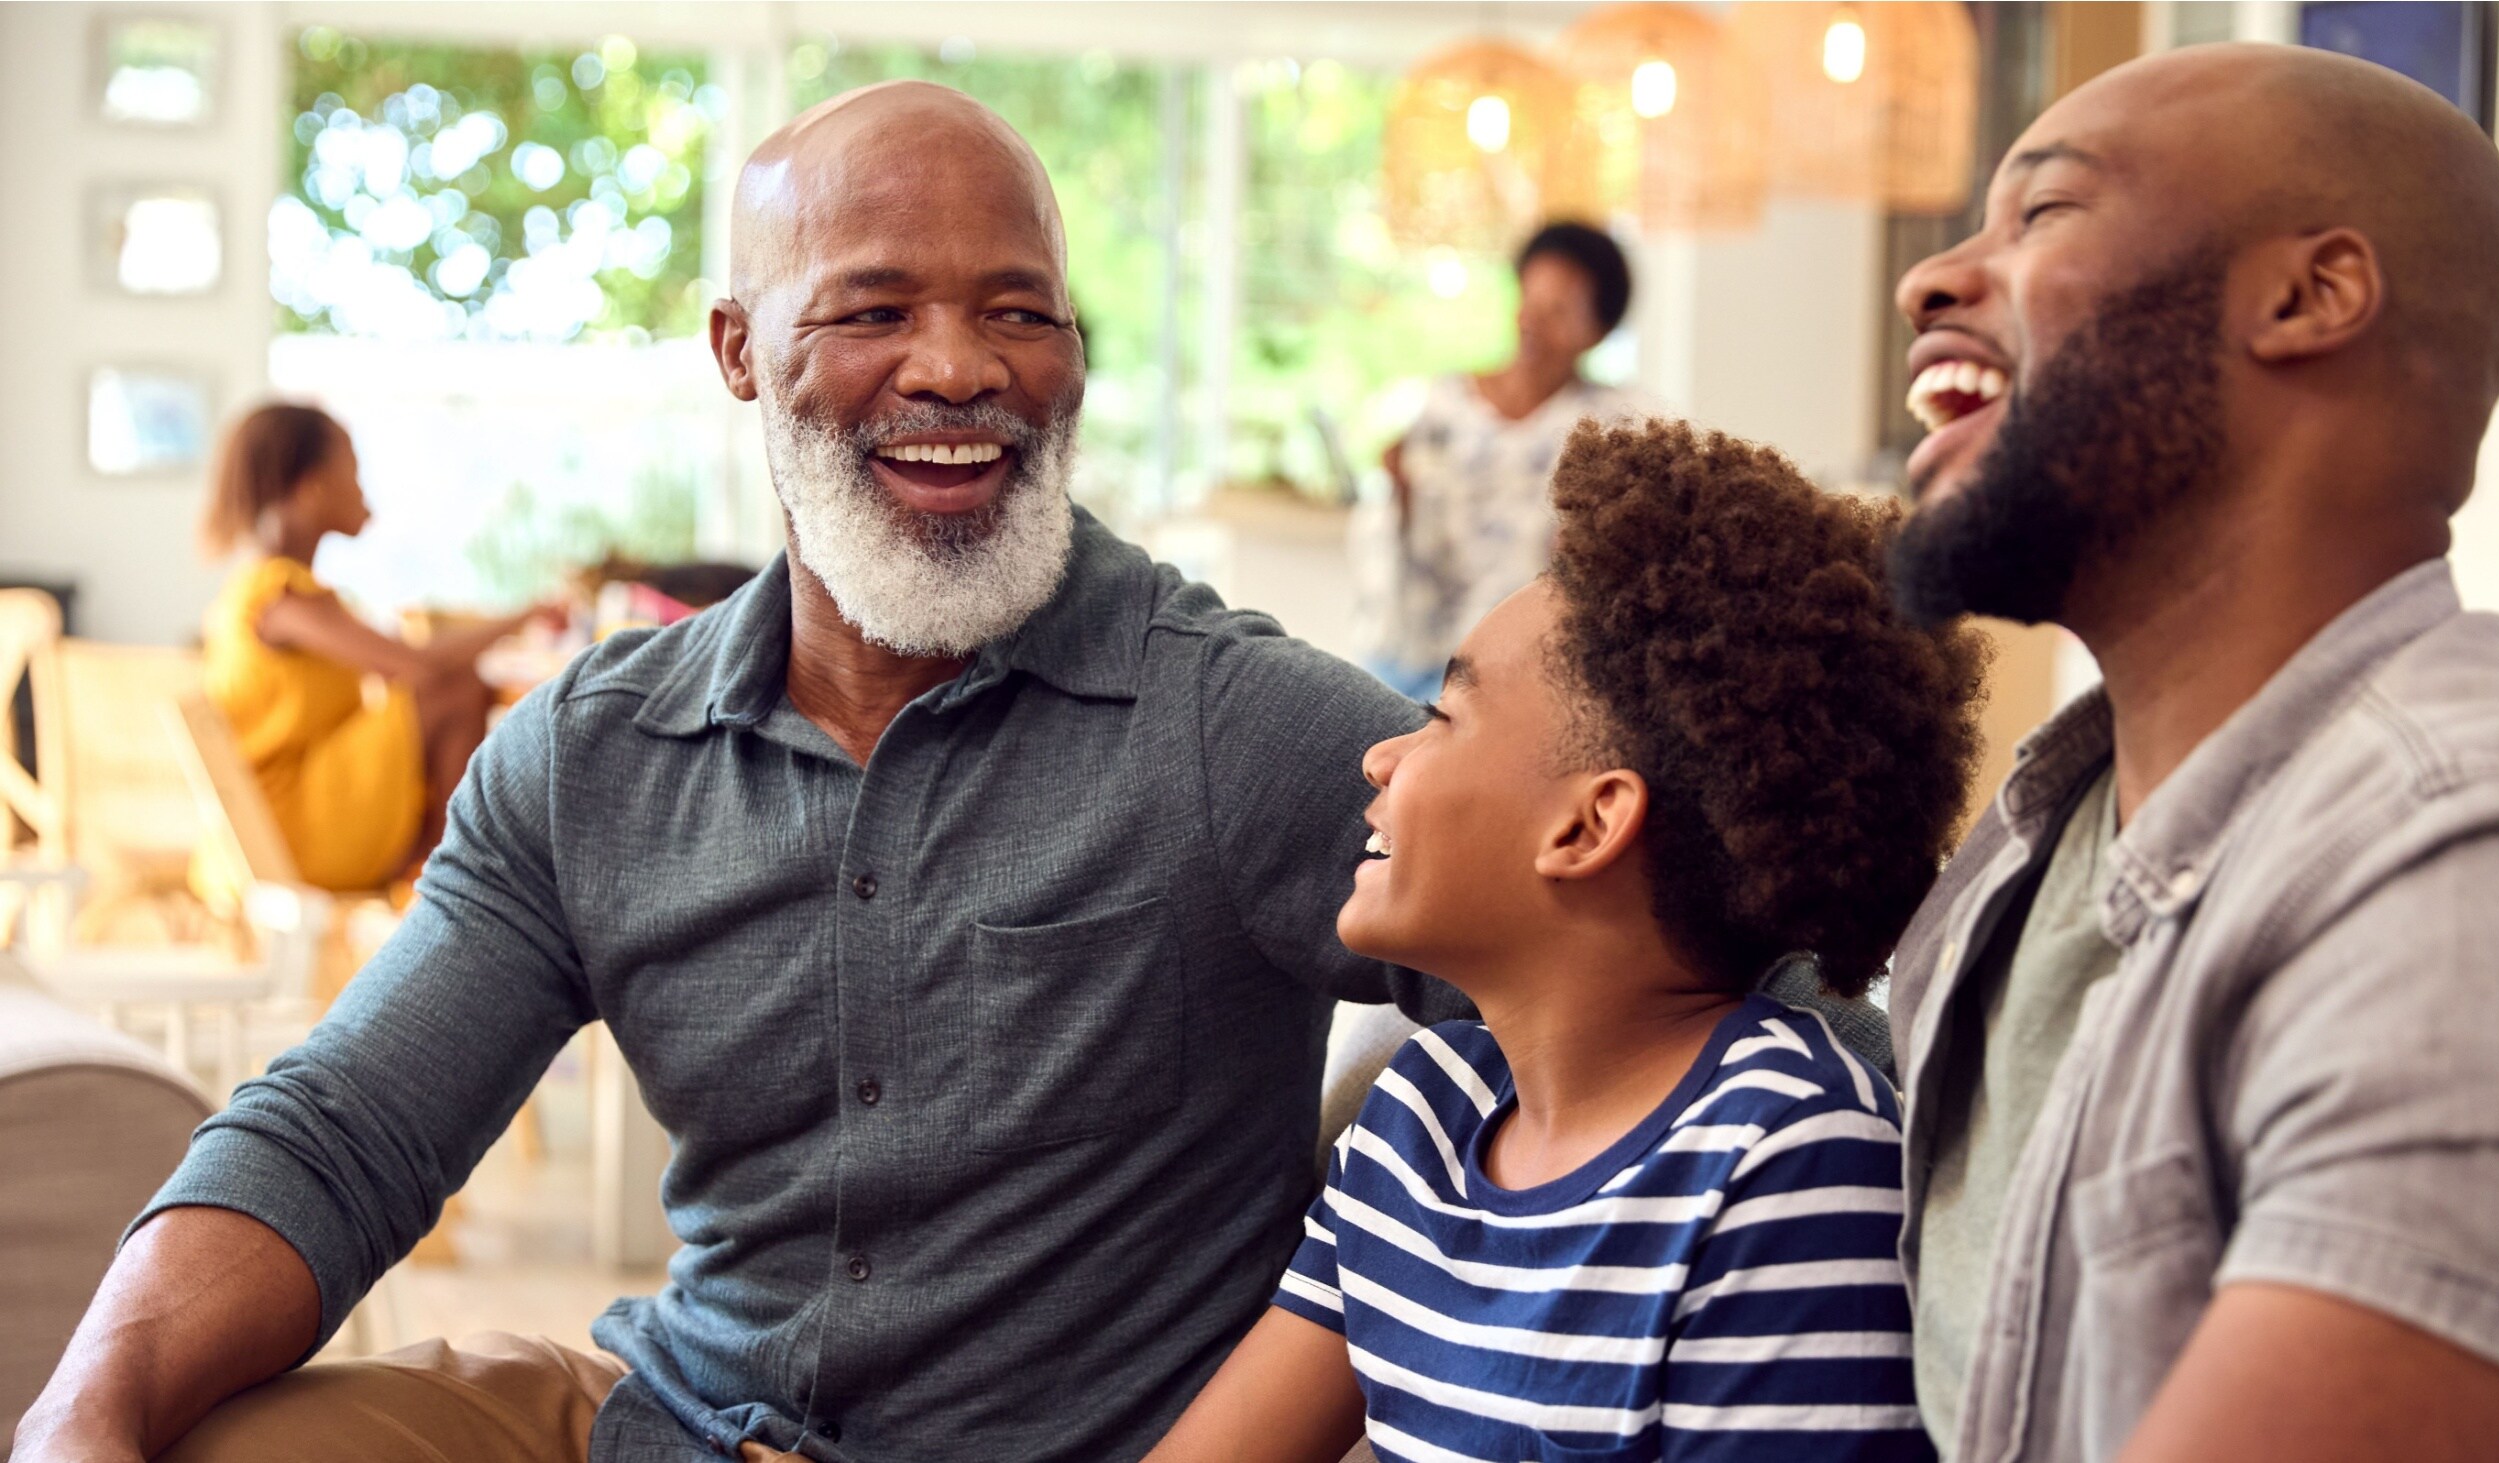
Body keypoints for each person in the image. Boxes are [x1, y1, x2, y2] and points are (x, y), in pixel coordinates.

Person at [16, 83, 1465, 1463]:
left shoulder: (1232, 719)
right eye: (874, 310)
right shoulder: (591, 753)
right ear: (736, 348)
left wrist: (1291, 1374)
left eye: (1020, 311)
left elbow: (1568, 990)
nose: (958, 367)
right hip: (670, 1416)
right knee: (185, 1435)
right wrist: (76, 1413)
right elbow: (348, 1129)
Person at [1884, 42, 2499, 1463]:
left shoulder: (2471, 859)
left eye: (2042, 212)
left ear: (2306, 297)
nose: (1927, 282)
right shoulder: (2035, 837)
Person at [1149, 419, 1984, 1463]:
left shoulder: (1791, 1163)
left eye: (1441, 716)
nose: (1378, 757)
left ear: (1586, 826)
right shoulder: (1422, 1115)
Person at [196, 403, 553, 890]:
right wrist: (526, 614)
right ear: (312, 488)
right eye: (353, 472)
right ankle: (450, 881)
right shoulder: (279, 596)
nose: (364, 491)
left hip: (278, 824)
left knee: (447, 689)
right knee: (454, 687)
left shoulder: (269, 589)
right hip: (287, 835)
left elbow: (398, 660)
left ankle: (446, 872)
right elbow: (417, 665)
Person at [1365, 222, 1637, 702]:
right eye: (1529, 299)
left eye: (1558, 311)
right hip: (1412, 653)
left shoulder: (1609, 426)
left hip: (1522, 678)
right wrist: (1398, 485)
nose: (1532, 322)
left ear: (1599, 331)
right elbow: (1400, 531)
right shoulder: (1448, 402)